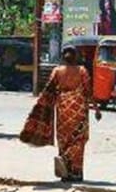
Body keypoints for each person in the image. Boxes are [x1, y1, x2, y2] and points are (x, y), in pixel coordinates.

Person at [20, 45, 101, 181]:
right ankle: (76, 172)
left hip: (63, 110)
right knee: (78, 141)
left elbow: (48, 90)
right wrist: (97, 110)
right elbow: (88, 92)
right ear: (76, 56)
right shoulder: (82, 71)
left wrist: (40, 109)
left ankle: (65, 172)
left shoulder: (57, 71)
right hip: (79, 111)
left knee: (63, 141)